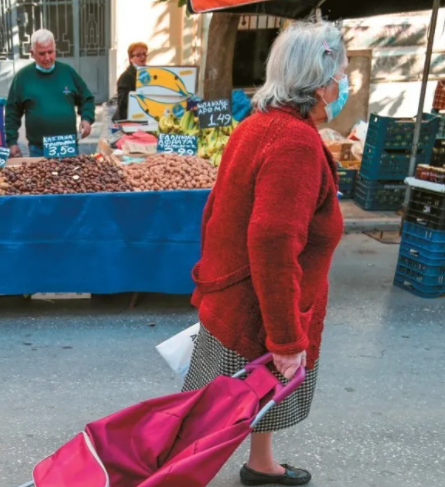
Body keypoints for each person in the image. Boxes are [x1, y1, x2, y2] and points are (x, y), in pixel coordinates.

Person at [182, 20, 347, 486]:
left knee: (249, 398)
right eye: (340, 75)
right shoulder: (294, 141)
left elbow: (216, 213)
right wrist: (287, 342)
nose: (342, 85)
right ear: (319, 78)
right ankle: (157, 474)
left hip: (239, 298)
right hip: (259, 309)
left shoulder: (258, 126)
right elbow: (273, 243)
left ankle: (261, 465)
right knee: (213, 418)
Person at [5, 29, 95, 158]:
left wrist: (87, 118)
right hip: (38, 149)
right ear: (32, 53)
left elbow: (86, 98)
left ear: (55, 49)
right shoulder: (22, 77)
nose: (47, 58)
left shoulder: (68, 72)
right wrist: (12, 142)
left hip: (68, 147)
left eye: (50, 52)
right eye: (42, 53)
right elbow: (12, 112)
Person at [115, 42, 148, 121]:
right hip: (131, 118)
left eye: (144, 54)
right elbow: (122, 101)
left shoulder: (150, 73)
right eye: (138, 55)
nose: (142, 57)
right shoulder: (125, 77)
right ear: (130, 58)